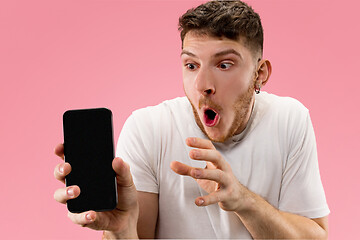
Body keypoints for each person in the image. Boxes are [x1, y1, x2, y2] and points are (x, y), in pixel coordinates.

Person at [53, 0, 330, 239]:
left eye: (224, 65)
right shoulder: (148, 129)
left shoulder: (289, 120)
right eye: (191, 65)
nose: (202, 84)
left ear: (260, 74)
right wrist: (120, 231)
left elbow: (316, 236)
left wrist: (242, 200)